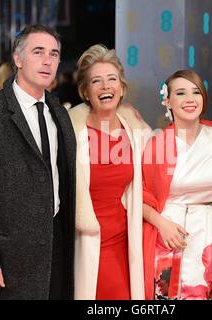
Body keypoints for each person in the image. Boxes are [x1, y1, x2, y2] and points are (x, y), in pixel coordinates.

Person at [0, 25, 76, 300]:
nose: (48, 61)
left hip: (55, 249)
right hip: (6, 258)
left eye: (54, 54)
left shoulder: (59, 113)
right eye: (38, 52)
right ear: (18, 59)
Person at [142, 69, 212, 300]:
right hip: (168, 234)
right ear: (167, 100)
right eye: (181, 93)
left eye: (196, 92)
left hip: (206, 232)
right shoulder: (155, 143)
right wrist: (161, 223)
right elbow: (137, 196)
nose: (190, 99)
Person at [68, 44, 151, 300]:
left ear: (122, 87)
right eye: (97, 81)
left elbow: (174, 155)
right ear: (85, 91)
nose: (106, 87)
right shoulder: (70, 132)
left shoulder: (136, 129)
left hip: (129, 242)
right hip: (87, 241)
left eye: (111, 79)